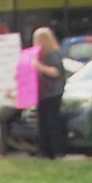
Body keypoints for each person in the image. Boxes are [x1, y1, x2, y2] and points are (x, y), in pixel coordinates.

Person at [31, 27, 66, 160]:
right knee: (43, 122)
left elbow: (55, 72)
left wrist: (39, 66)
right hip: (43, 93)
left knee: (52, 122)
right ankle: (44, 150)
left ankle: (55, 150)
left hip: (53, 92)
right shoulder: (40, 55)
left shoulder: (53, 53)